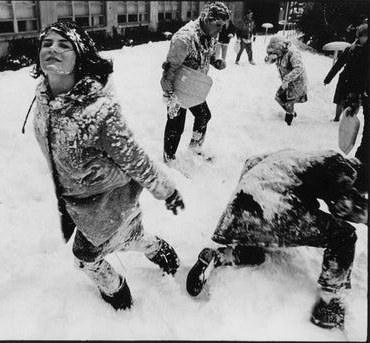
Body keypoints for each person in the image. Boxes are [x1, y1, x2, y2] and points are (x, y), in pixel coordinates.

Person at [30, 21, 185, 311]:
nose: (52, 49)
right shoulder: (44, 97)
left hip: (108, 202)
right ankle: (158, 250)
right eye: (47, 43)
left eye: (64, 45)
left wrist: (167, 191)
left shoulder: (99, 112)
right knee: (129, 238)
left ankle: (116, 290)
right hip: (78, 201)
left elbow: (134, 157)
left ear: (80, 56)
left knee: (86, 258)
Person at [186, 149, 368, 330]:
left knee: (256, 253)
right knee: (344, 236)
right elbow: (345, 206)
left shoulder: (302, 155)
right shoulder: (342, 167)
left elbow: (252, 160)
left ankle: (218, 257)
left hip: (243, 206)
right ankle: (329, 306)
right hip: (274, 208)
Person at [160, 1, 229, 163]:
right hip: (177, 87)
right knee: (176, 125)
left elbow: (208, 54)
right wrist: (169, 94)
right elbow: (170, 69)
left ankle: (195, 148)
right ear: (206, 19)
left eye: (222, 25)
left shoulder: (211, 33)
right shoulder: (184, 38)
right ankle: (169, 158)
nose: (221, 30)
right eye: (218, 25)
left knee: (204, 115)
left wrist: (215, 61)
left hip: (195, 85)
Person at [324, 24, 368, 123]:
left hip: (359, 80)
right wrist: (328, 78)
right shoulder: (350, 49)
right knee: (340, 99)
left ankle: (349, 120)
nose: (365, 40)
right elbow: (338, 64)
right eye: (363, 37)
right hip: (345, 78)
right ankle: (337, 117)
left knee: (354, 101)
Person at [264, 35, 308, 126]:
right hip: (287, 82)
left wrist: (287, 79)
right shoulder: (280, 53)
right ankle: (291, 112)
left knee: (289, 102)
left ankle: (288, 124)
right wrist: (269, 58)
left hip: (297, 82)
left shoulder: (293, 53)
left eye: (275, 51)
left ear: (280, 47)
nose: (274, 53)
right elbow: (272, 60)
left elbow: (299, 68)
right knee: (278, 97)